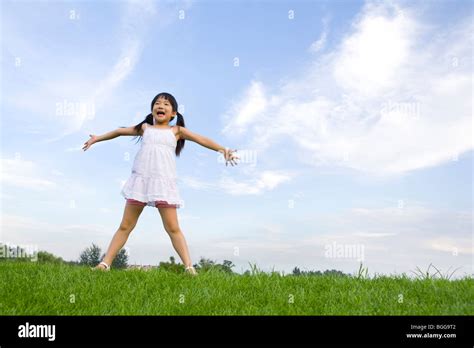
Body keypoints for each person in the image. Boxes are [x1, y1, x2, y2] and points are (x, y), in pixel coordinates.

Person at [82, 92, 239, 275]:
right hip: (141, 182)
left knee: (173, 228)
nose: (160, 106)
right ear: (152, 109)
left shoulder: (177, 131)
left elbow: (201, 139)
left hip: (163, 185)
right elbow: (119, 131)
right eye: (157, 103)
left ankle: (189, 267)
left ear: (173, 113)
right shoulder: (145, 128)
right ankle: (105, 264)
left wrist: (223, 150)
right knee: (125, 226)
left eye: (166, 104)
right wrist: (97, 138)